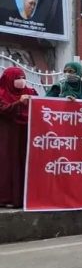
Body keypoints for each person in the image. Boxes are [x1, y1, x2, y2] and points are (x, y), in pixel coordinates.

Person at [0, 67, 36, 208]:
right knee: (8, 166)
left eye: (23, 78)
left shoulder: (30, 92)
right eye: (17, 78)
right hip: (8, 137)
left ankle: (23, 198)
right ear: (9, 80)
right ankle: (6, 198)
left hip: (26, 136)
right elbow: (4, 110)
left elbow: (43, 106)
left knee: (24, 165)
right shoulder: (2, 94)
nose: (21, 81)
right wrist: (19, 103)